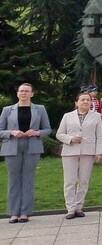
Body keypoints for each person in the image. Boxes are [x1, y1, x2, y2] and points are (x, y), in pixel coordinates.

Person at [0, 84, 52, 223]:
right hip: (12, 147)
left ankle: (25, 212)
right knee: (13, 180)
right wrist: (11, 132)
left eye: (26, 91)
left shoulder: (39, 109)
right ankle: (13, 212)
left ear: (32, 94)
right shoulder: (7, 110)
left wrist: (37, 132)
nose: (23, 93)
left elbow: (47, 129)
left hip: (32, 146)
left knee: (28, 179)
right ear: (17, 94)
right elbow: (0, 130)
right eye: (21, 91)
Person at [56, 91, 102, 219]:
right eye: (82, 100)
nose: (85, 102)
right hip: (70, 151)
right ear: (76, 102)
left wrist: (99, 151)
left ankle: (79, 206)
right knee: (70, 181)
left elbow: (99, 135)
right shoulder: (68, 116)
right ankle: (70, 208)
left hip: (88, 151)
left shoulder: (96, 116)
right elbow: (59, 134)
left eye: (88, 100)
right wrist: (71, 138)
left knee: (83, 180)